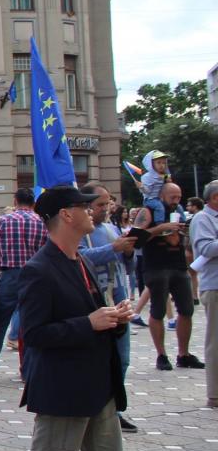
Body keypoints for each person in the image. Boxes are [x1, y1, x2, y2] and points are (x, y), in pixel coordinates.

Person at [19, 186, 174, 451]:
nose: (93, 212)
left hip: (98, 383)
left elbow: (90, 317)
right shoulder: (39, 269)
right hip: (63, 388)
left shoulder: (80, 261)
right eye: (84, 206)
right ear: (66, 215)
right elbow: (34, 335)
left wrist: (112, 318)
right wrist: (88, 323)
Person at [77, 183, 139, 431]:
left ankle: (115, 409)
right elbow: (81, 258)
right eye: (100, 204)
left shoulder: (112, 228)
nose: (106, 208)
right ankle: (97, 408)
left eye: (108, 203)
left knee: (122, 358)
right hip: (96, 301)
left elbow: (126, 266)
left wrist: (128, 252)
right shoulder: (83, 232)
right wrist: (114, 248)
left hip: (118, 297)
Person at [0, 188, 46, 383]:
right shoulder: (42, 222)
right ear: (33, 203)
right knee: (31, 324)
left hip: (10, 276)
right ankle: (28, 371)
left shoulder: (5, 221)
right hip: (36, 277)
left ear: (15, 201)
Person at [134, 181, 201, 371]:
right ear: (162, 195)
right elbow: (135, 238)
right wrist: (160, 228)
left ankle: (183, 354)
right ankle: (161, 355)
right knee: (158, 311)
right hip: (156, 266)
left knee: (187, 310)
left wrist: (184, 232)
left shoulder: (178, 211)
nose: (176, 201)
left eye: (179, 197)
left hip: (178, 266)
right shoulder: (148, 211)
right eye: (173, 197)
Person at [190, 181, 218, 408]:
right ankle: (215, 393)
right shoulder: (203, 219)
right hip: (215, 286)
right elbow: (206, 248)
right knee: (215, 341)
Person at [138, 150, 172, 219]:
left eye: (164, 163)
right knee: (159, 207)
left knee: (176, 206)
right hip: (150, 199)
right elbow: (147, 191)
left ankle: (182, 222)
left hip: (161, 198)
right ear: (152, 164)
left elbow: (170, 185)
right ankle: (159, 223)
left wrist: (168, 181)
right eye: (158, 163)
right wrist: (141, 187)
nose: (161, 165)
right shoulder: (147, 176)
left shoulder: (164, 175)